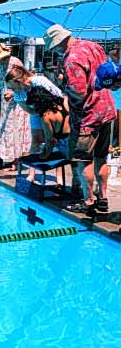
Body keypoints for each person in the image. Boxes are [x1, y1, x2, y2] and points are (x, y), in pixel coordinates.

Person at [43, 24, 116, 213]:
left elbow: (79, 92)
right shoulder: (93, 45)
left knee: (84, 161)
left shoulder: (71, 60)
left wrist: (63, 89)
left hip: (88, 116)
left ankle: (88, 200)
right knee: (102, 158)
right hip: (107, 109)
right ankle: (104, 198)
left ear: (59, 43)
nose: (56, 50)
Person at [0, 43, 31, 172]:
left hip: (17, 99)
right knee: (8, 129)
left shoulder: (15, 62)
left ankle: (18, 162)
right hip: (6, 101)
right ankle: (12, 160)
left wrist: (14, 93)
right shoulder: (1, 64)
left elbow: (26, 79)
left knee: (17, 130)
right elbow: (2, 77)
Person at [25, 85, 81, 193]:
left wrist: (45, 156)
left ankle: (77, 184)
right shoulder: (65, 100)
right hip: (78, 137)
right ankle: (77, 183)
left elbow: (49, 141)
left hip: (65, 144)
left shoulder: (46, 115)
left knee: (67, 154)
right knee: (78, 162)